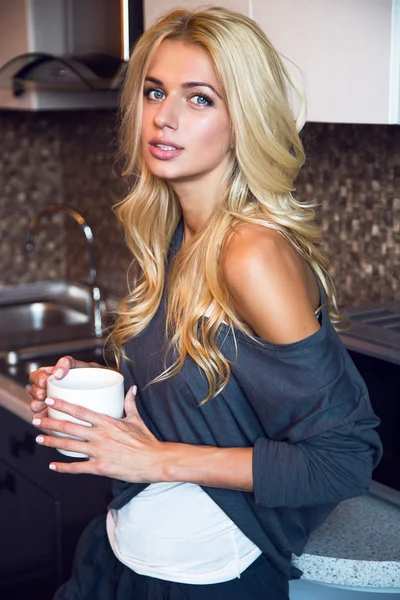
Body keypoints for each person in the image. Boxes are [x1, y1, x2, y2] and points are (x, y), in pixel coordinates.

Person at [29, 6, 382, 600]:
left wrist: (157, 461)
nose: (164, 118)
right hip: (123, 555)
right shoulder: (173, 234)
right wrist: (93, 392)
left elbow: (343, 459)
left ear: (243, 119)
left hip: (203, 582)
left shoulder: (251, 252)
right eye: (155, 91)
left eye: (200, 99)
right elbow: (206, 398)